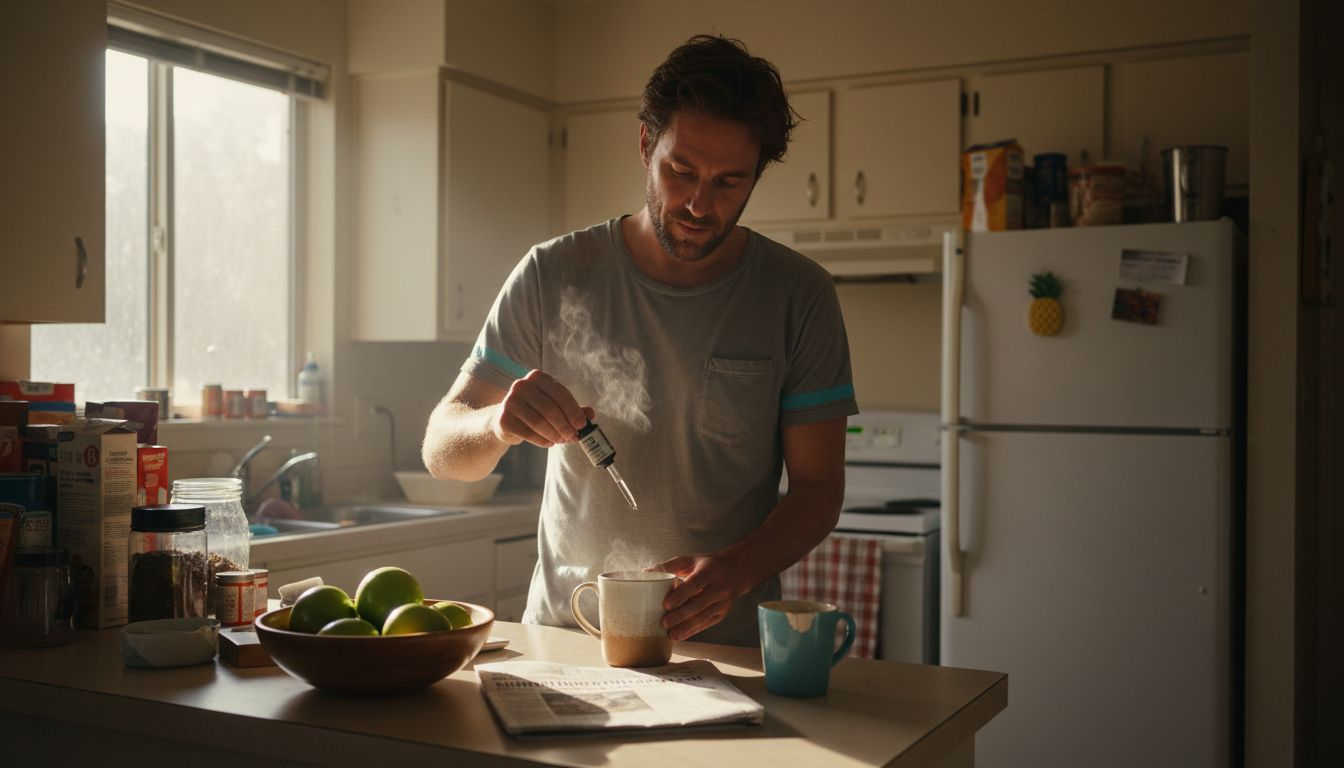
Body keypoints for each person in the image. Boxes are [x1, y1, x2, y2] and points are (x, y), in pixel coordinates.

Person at [421, 34, 857, 647]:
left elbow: (818, 490)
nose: (699, 203)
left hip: (723, 649)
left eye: (730, 182)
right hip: (567, 639)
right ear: (647, 143)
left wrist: (737, 571)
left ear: (758, 173)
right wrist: (498, 425)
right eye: (681, 172)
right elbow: (442, 452)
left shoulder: (799, 295)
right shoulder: (552, 273)